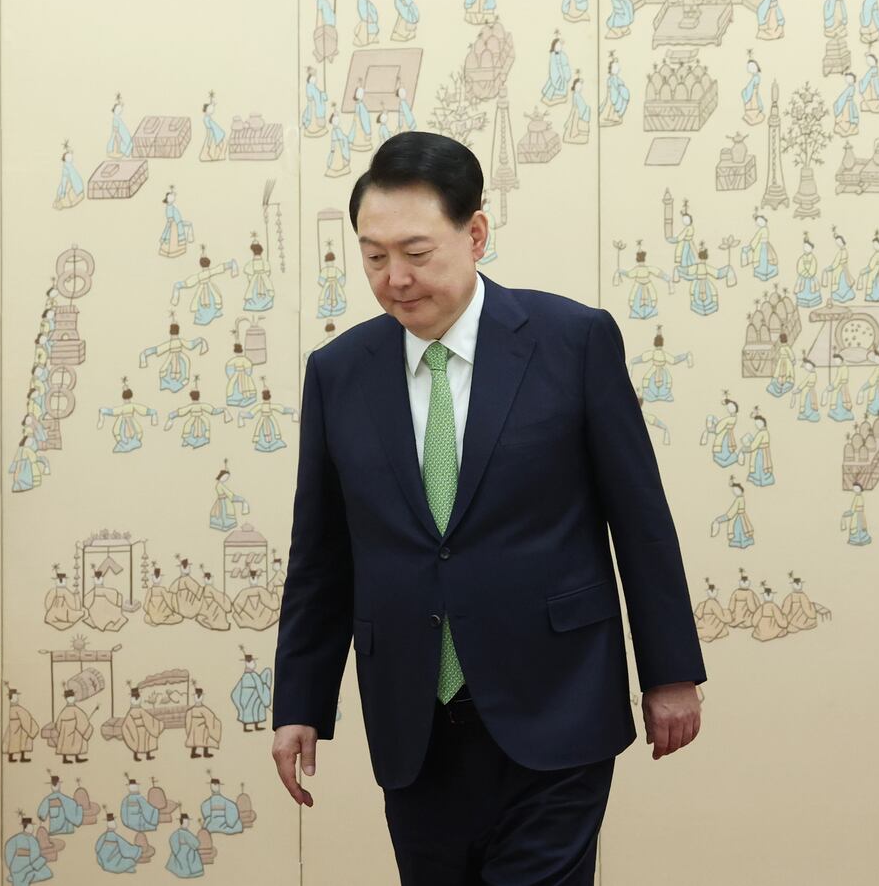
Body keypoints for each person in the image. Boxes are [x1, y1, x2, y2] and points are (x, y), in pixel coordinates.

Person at [271, 132, 705, 886]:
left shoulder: (572, 341)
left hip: (558, 700)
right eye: (374, 257)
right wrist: (299, 702)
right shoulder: (339, 373)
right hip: (414, 720)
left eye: (416, 252)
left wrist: (669, 672)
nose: (395, 278)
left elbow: (640, 519)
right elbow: (322, 555)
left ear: (475, 234)